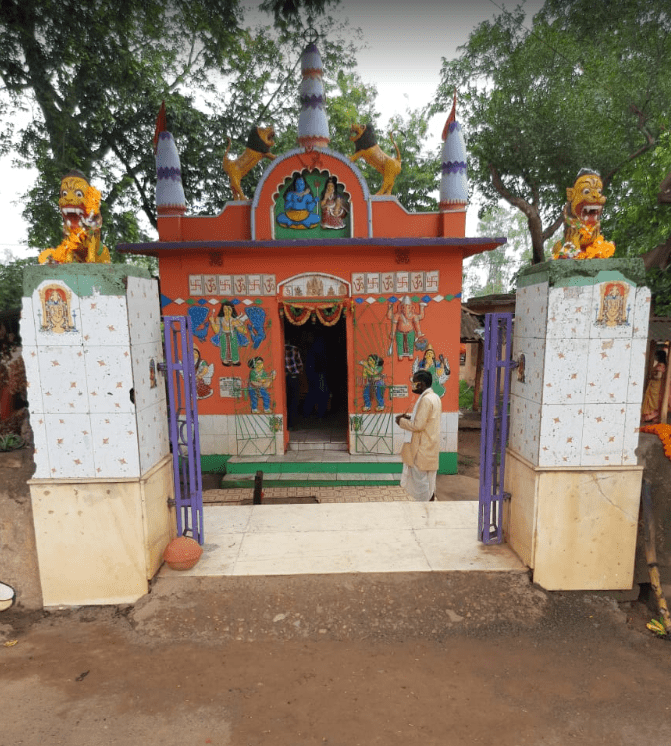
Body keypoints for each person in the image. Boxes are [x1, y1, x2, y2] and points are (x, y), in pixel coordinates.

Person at [395, 369, 441, 502]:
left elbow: (418, 426)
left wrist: (401, 421)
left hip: (422, 448)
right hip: (430, 445)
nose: (412, 386)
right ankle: (429, 504)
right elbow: (425, 420)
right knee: (429, 482)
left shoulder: (426, 400)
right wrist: (410, 417)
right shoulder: (435, 397)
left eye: (414, 383)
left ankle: (424, 508)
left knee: (421, 483)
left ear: (421, 384)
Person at [641, 349, 668, 424]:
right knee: (653, 400)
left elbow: (659, 376)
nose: (656, 357)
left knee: (652, 400)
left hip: (655, 383)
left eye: (657, 356)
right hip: (656, 384)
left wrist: (651, 376)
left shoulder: (660, 364)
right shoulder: (662, 364)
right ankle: (652, 416)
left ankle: (650, 416)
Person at [285, 341, 303, 428]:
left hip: (282, 378)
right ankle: (292, 425)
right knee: (294, 401)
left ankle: (284, 424)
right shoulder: (294, 348)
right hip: (293, 377)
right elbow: (300, 364)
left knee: (285, 401)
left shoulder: (277, 347)